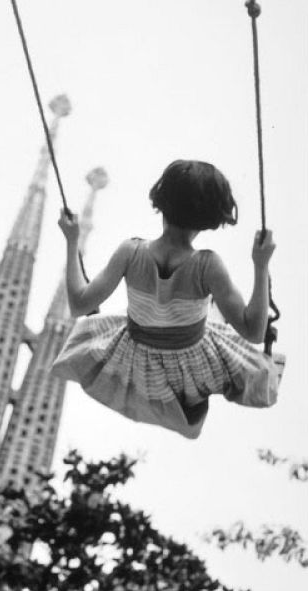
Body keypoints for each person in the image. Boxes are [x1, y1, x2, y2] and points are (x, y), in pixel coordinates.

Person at [52, 159, 284, 438]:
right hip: (191, 363)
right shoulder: (208, 266)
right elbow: (254, 332)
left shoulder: (130, 252)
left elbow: (79, 304)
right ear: (211, 218)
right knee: (238, 354)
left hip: (137, 358)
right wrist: (261, 265)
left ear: (161, 202)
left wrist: (71, 241)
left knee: (203, 316)